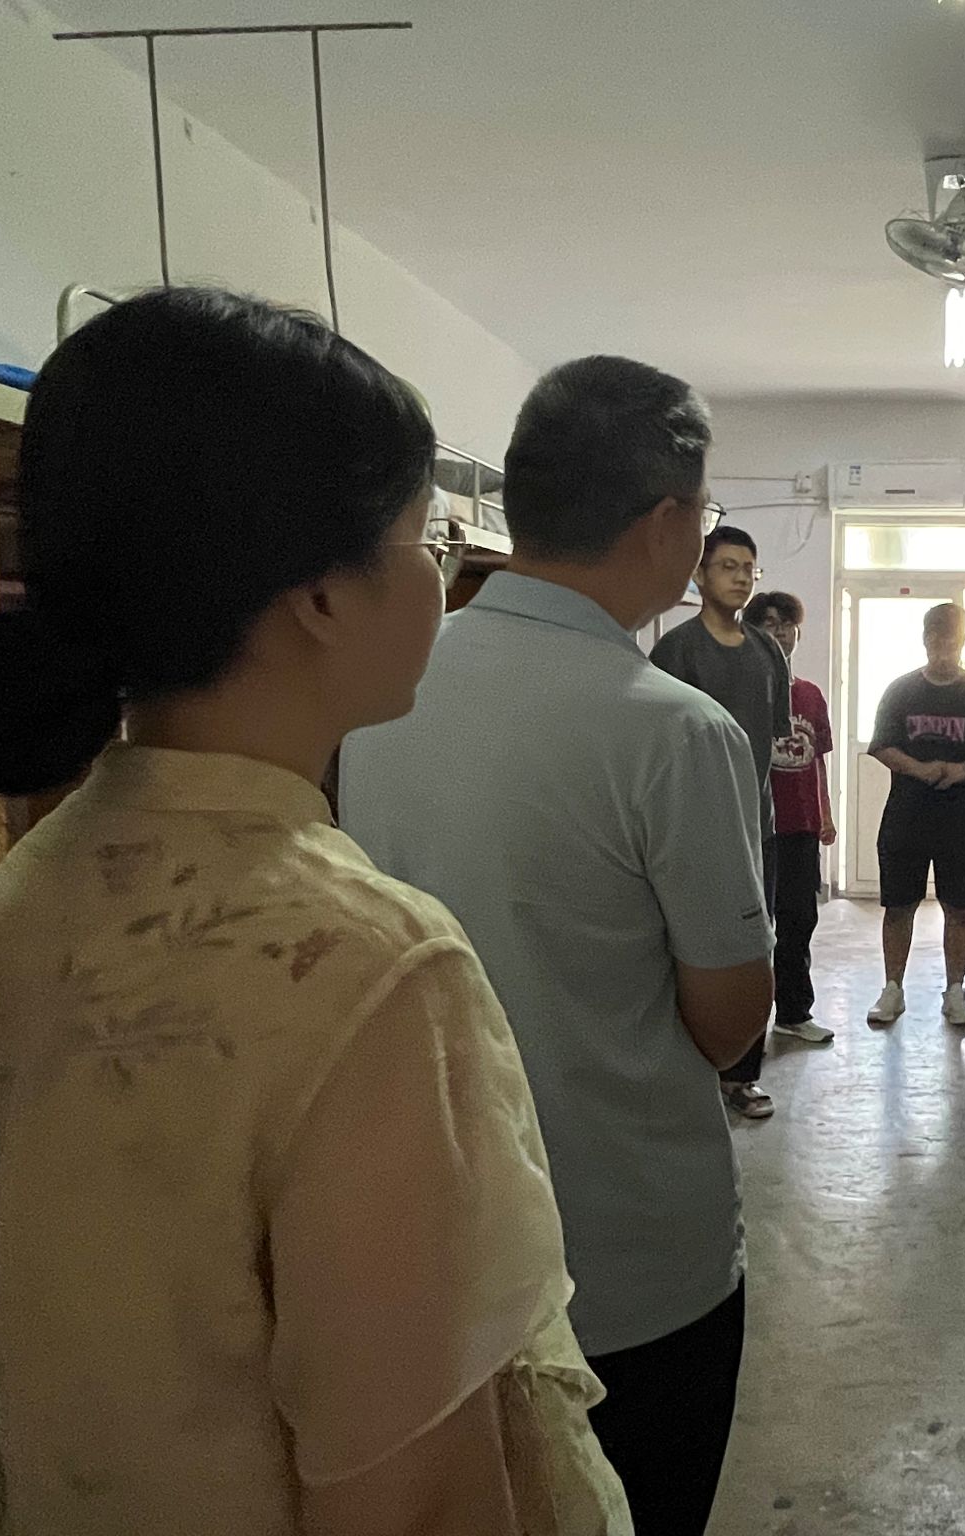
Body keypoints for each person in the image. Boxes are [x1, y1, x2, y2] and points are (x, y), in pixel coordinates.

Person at [0, 287, 628, 1536]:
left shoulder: (22, 884)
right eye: (424, 539)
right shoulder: (368, 964)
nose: (440, 581)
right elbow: (415, 1498)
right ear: (319, 597)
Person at [340, 354, 773, 1536]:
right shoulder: (675, 732)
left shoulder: (379, 686)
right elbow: (729, 1024)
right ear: (668, 522)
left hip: (431, 1236)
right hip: (623, 1257)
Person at [649, 528, 794, 1119]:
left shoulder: (767, 653)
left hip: (756, 829)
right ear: (700, 575)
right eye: (727, 565)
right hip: (689, 828)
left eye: (748, 567)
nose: (739, 577)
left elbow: (773, 738)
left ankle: (741, 1074)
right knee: (683, 948)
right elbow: (656, 744)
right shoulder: (675, 652)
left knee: (753, 948)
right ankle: (686, 1071)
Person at [865, 603, 965, 1028]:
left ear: (962, 642)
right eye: (936, 639)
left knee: (960, 908)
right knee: (899, 906)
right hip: (907, 814)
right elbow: (882, 745)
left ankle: (955, 992)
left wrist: (963, 769)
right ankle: (892, 989)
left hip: (961, 818)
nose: (943, 648)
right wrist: (919, 768)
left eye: (951, 640)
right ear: (925, 641)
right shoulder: (901, 690)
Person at [748, 590, 838, 1046]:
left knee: (799, 920)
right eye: (769, 624)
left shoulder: (810, 695)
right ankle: (745, 1021)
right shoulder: (744, 691)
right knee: (753, 926)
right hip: (755, 828)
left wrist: (825, 814)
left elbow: (817, 760)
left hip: (801, 827)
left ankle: (793, 1011)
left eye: (787, 624)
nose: (780, 633)